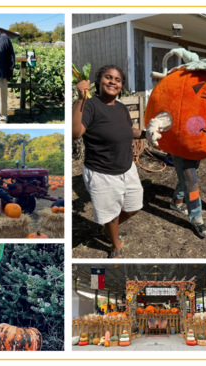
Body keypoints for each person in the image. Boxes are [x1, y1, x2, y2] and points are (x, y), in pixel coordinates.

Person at [71, 65, 147, 261]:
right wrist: (80, 99)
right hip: (102, 172)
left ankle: (108, 229)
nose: (113, 81)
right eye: (108, 77)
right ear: (99, 81)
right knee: (112, 213)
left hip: (127, 168)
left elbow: (130, 131)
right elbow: (74, 133)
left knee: (134, 206)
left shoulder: (121, 108)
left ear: (121, 86)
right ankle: (114, 245)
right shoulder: (90, 105)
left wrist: (148, 134)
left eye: (118, 79)